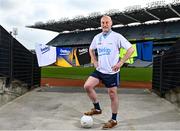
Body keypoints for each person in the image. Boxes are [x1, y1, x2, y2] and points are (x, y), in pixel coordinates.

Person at [83, 15, 135, 129]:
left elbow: (131, 49)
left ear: (111, 24)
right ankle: (97, 108)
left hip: (112, 72)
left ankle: (114, 119)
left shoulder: (117, 37)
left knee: (112, 94)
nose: (105, 24)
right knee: (87, 86)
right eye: (103, 23)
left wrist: (121, 62)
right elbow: (91, 49)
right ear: (100, 24)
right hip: (99, 70)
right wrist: (94, 60)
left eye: (107, 22)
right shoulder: (97, 37)